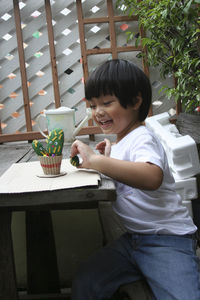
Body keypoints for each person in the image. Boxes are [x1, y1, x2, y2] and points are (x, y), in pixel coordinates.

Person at [70, 59, 200, 300]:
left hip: (167, 241)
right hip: (133, 241)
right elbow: (126, 170)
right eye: (93, 104)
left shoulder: (142, 137)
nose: (98, 112)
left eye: (107, 103)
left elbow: (151, 177)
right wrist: (107, 157)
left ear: (135, 101)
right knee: (85, 283)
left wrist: (97, 161)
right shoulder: (124, 140)